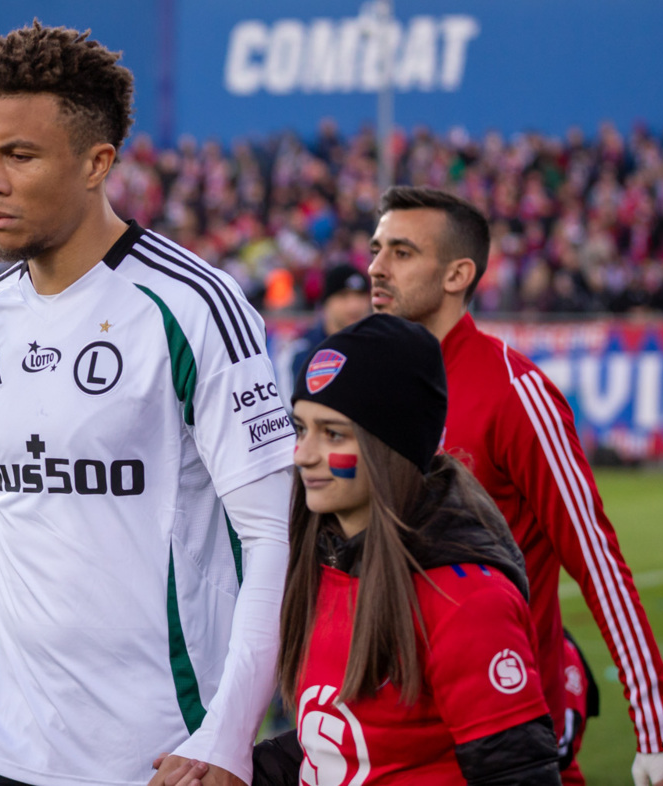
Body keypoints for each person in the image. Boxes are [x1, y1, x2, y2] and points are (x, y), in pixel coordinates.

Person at [0, 23, 293, 786]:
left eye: (20, 156)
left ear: (97, 162)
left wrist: (229, 733)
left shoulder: (195, 305)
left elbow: (274, 534)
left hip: (159, 755)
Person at [368, 187, 663, 786]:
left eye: (401, 252)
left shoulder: (513, 391)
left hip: (498, 735)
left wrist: (660, 734)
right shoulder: (371, 391)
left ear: (457, 274)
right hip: (386, 738)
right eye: (376, 248)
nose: (375, 267)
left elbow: (598, 563)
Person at [235, 313, 560, 785]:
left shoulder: (466, 601)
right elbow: (339, 747)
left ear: (391, 446)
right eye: (301, 428)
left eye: (333, 434)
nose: (302, 454)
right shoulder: (320, 563)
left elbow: (518, 774)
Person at [287, 264, 371, 389]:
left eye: (360, 296)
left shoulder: (376, 344)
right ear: (326, 302)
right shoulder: (304, 349)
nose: (354, 306)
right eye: (343, 296)